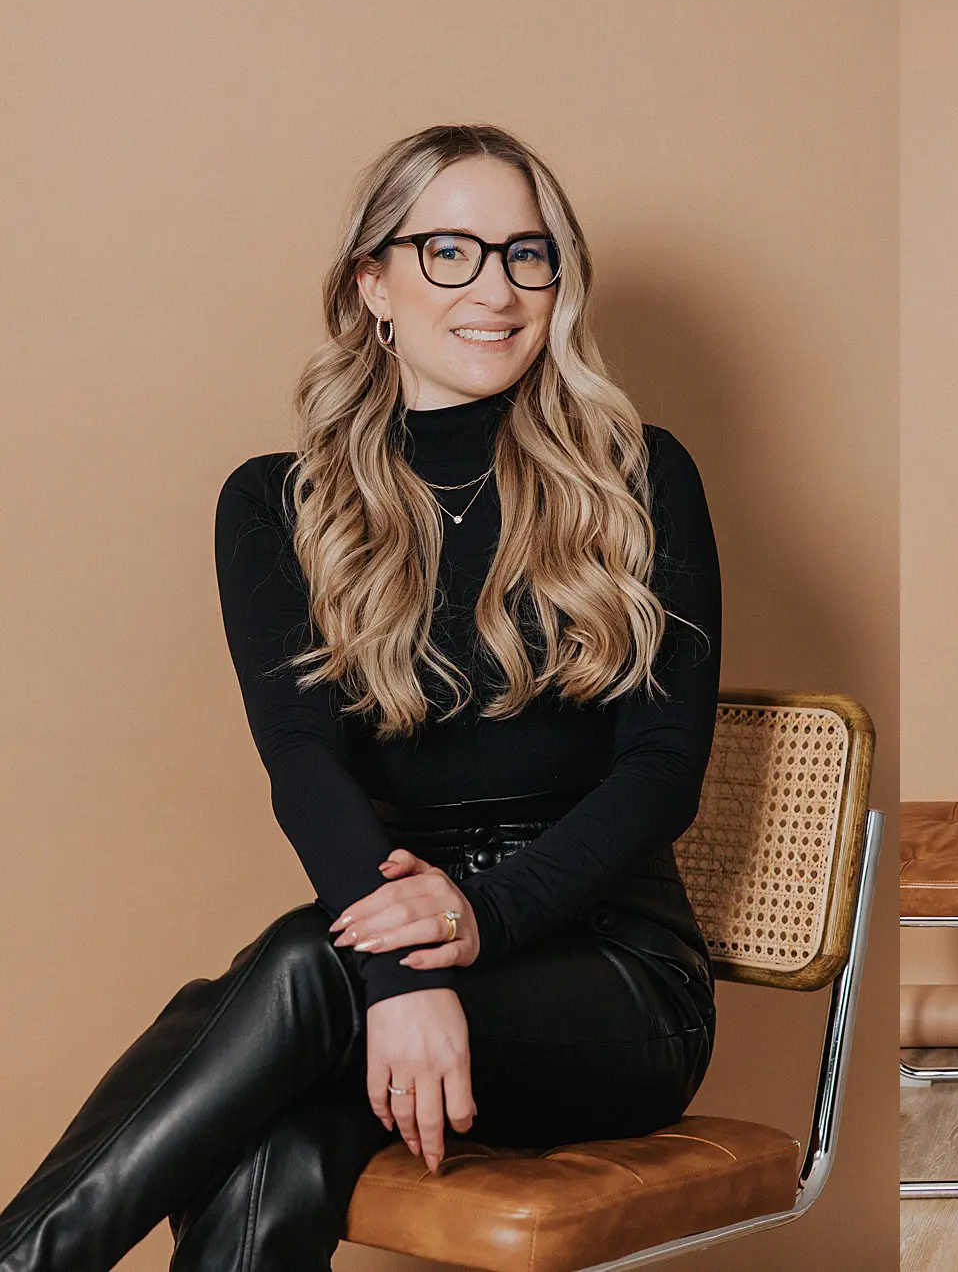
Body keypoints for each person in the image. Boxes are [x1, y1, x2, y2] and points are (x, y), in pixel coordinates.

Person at [0, 124, 723, 1268]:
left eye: (527, 254)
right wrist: (403, 975)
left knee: (303, 967)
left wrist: (465, 926)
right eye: (450, 250)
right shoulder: (277, 506)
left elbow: (662, 773)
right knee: (279, 1139)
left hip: (612, 972)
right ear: (371, 282)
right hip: (383, 948)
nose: (495, 287)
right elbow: (305, 766)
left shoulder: (638, 475)